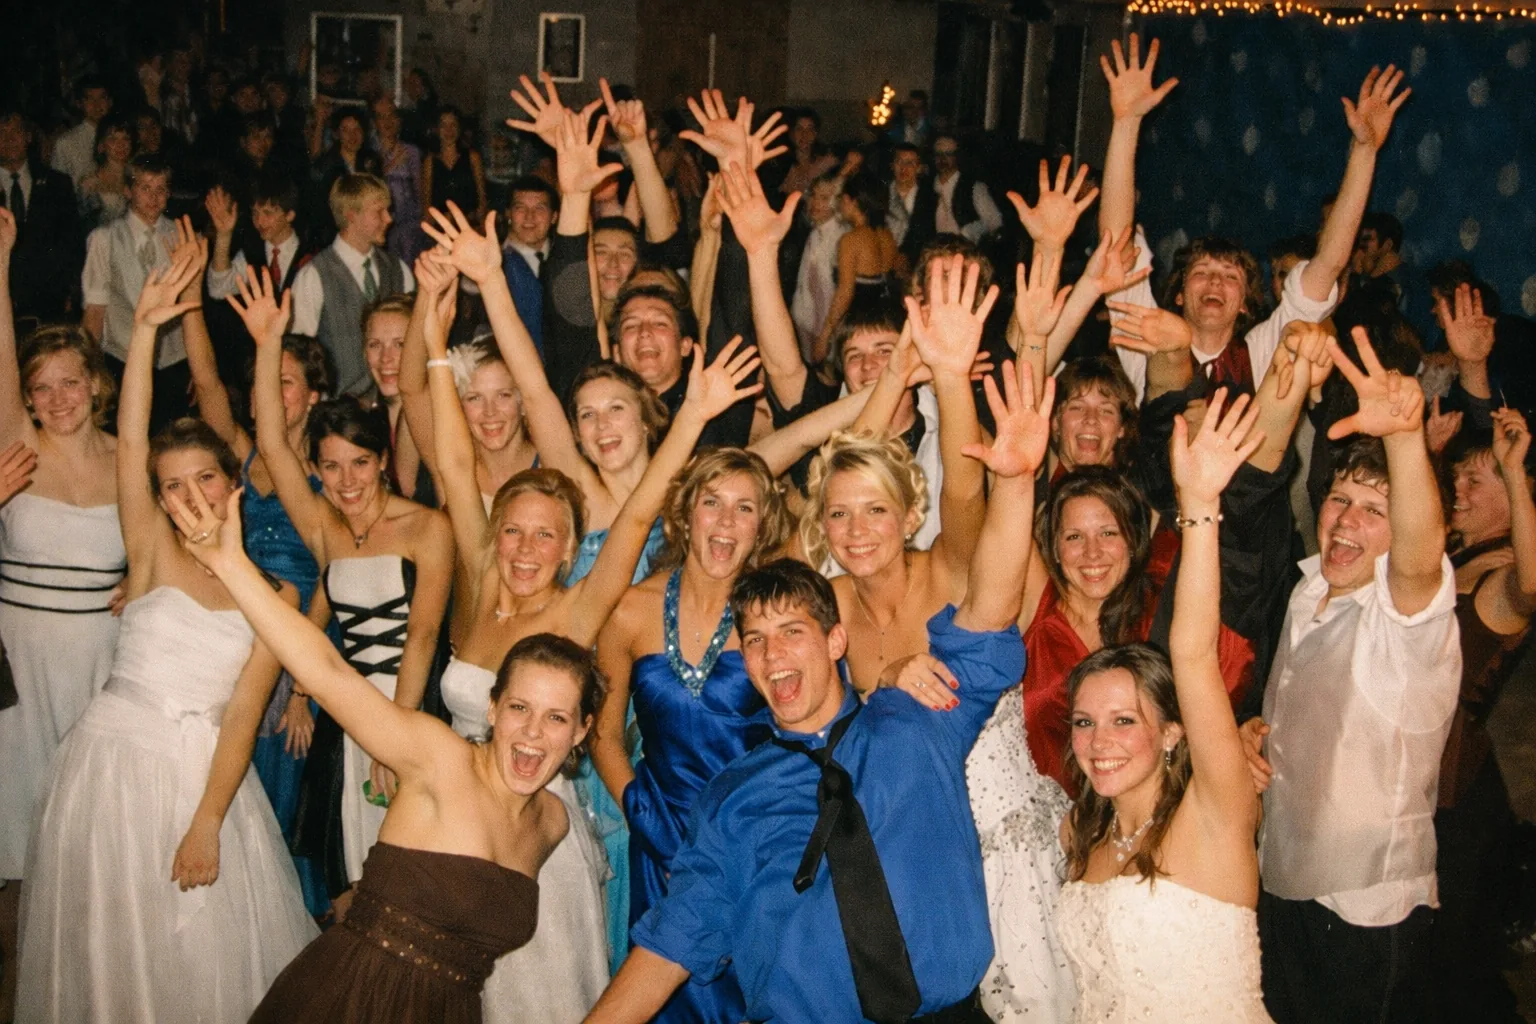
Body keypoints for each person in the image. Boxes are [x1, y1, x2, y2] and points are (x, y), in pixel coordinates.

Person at [583, 351, 1044, 1024]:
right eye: (756, 641)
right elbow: (664, 950)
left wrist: (1018, 483)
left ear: (835, 642)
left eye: (792, 632)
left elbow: (991, 604)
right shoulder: (733, 800)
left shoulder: (917, 721)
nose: (773, 655)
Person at [417, 216, 763, 1020]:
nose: (529, 545)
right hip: (458, 816)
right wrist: (440, 344)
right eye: (517, 531)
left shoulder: (580, 601)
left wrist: (693, 414)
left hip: (574, 795)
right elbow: (455, 458)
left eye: (548, 535)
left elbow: (639, 516)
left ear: (571, 547)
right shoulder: (479, 577)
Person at [15, 241, 316, 1023]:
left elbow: (246, 712)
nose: (188, 497)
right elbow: (137, 420)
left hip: (206, 780)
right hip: (110, 769)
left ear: (233, 486)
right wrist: (145, 331)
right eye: (171, 486)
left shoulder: (272, 591)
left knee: (203, 962)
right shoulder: (147, 552)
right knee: (109, 949)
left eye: (204, 480)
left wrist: (209, 821)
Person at [173, 495, 596, 1023]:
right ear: (491, 709)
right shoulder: (439, 758)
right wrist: (231, 565)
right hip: (354, 999)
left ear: (582, 730)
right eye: (518, 707)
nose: (533, 732)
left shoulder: (552, 822)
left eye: (556, 718)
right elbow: (326, 670)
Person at [1246, 328, 1458, 1023]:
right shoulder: (1309, 590)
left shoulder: (1408, 618)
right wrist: (1260, 733)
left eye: (1376, 510)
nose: (1346, 520)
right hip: (1283, 878)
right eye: (1341, 499)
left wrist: (1405, 437)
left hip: (1365, 908)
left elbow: (1420, 561)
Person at [1053, 388, 1273, 1022]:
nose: (1099, 741)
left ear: (1174, 732)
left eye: (1126, 720)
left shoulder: (1216, 811)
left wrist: (1199, 505)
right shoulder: (1080, 830)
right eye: (1086, 722)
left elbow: (1195, 653)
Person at [232, 267, 452, 898]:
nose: (347, 480)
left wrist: (394, 736)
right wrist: (270, 340)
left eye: (360, 464)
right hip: (347, 712)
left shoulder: (425, 528)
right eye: (330, 467)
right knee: (353, 870)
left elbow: (424, 635)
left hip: (411, 709)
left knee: (412, 869)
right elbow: (272, 441)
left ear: (383, 461)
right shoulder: (327, 528)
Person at [592, 446, 794, 1020]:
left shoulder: (771, 615)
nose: (726, 521)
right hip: (659, 841)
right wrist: (642, 814)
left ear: (762, 526)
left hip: (752, 841)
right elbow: (603, 735)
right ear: (685, 515)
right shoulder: (630, 610)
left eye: (745, 508)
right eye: (712, 502)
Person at [1097, 36, 1402, 401]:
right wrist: (1126, 122)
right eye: (1201, 272)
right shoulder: (1147, 334)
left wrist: (1365, 152)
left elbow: (1328, 264)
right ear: (1178, 294)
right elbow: (1114, 246)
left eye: (1230, 277)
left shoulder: (1260, 352)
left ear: (1244, 302)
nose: (1214, 281)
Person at [0, 206, 127, 995]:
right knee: (12, 848)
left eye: (68, 382)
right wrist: (4, 256)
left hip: (96, 670)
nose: (54, 399)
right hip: (17, 671)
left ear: (94, 384)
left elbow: (164, 553)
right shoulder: (14, 448)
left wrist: (138, 582)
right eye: (39, 387)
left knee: (80, 849)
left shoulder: (126, 460)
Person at [795, 254, 996, 688]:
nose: (856, 529)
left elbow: (963, 492)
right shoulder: (832, 600)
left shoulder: (942, 567)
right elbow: (840, 475)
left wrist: (950, 375)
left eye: (877, 510)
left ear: (909, 516)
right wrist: (894, 376)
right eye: (839, 515)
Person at [1430, 416, 1536, 1020]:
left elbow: (1532, 581)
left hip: (1456, 795)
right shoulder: (1455, 553)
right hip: (1434, 776)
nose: (1459, 490)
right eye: (1458, 477)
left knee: (1457, 973)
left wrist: (1515, 473)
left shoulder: (1501, 575)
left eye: (1476, 481)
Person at [81, 154, 189, 431]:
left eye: (161, 189)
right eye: (145, 188)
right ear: (128, 191)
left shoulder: (182, 236)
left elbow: (192, 306)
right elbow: (95, 309)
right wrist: (90, 368)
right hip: (123, 360)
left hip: (174, 363)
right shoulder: (104, 238)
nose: (154, 198)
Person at [290, 173, 416, 396]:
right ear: (351, 215)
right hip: (340, 415)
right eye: (379, 212)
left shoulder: (399, 270)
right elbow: (301, 360)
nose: (389, 219)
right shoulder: (314, 276)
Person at [0, 108, 83, 324]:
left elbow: (71, 243)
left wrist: (68, 292)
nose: (8, 139)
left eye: (15, 132)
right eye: (1, 132)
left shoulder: (57, 183)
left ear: (28, 136)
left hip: (48, 304)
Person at [814, 171, 897, 364]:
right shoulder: (887, 236)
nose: (840, 205)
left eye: (842, 199)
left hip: (856, 325)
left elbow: (845, 292)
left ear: (852, 201)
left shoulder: (850, 240)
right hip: (880, 323)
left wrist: (825, 335)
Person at [790, 173, 848, 360]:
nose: (815, 202)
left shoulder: (840, 237)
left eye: (824, 198)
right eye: (813, 195)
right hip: (805, 320)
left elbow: (836, 290)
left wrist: (826, 333)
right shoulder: (815, 233)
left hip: (826, 327)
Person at [502, 175, 557, 345]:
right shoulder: (494, 262)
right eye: (520, 208)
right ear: (508, 214)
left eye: (539, 209)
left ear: (554, 217)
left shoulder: (566, 257)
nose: (529, 217)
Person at [371, 95, 427, 266]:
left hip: (409, 222)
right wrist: (390, 166)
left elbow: (421, 191)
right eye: (381, 117)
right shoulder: (369, 151)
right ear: (374, 123)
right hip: (380, 218)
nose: (388, 121)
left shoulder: (411, 152)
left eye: (391, 115)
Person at [929, 134, 1004, 246]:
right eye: (938, 154)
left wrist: (969, 232)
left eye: (948, 154)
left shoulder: (974, 187)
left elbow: (994, 221)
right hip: (933, 249)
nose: (942, 159)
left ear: (957, 157)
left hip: (963, 249)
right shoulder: (927, 187)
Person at [425, 106, 488, 226]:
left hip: (469, 225)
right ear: (437, 129)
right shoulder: (430, 161)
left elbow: (482, 199)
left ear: (459, 128)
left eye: (453, 125)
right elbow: (426, 203)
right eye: (444, 125)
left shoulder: (473, 158)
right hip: (441, 226)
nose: (449, 130)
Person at [50, 76, 114, 188]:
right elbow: (57, 184)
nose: (97, 105)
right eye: (89, 99)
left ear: (110, 102)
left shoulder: (123, 138)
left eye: (102, 98)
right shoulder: (65, 142)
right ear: (79, 104)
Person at [76, 114, 134, 229]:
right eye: (113, 139)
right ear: (101, 145)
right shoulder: (88, 184)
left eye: (126, 139)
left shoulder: (138, 176)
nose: (121, 145)